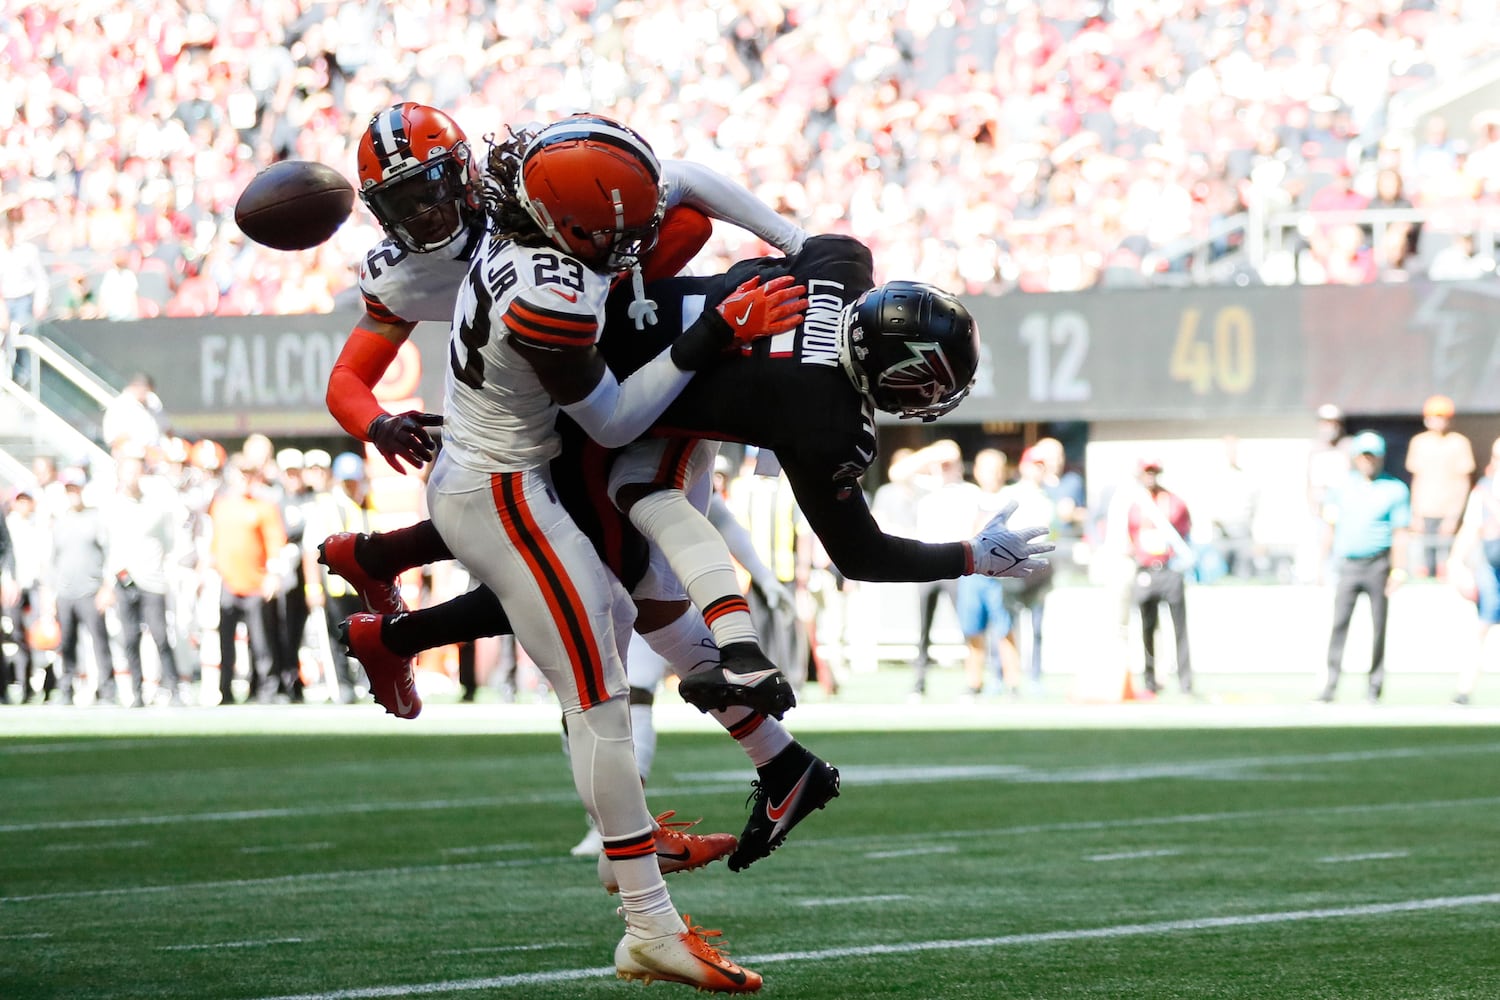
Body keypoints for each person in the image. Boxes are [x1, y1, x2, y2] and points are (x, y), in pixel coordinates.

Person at [425, 113, 801, 992]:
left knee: (613, 637)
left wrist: (795, 241)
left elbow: (691, 173)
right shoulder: (545, 288)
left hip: (509, 480)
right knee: (598, 698)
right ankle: (644, 918)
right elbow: (615, 419)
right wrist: (714, 332)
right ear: (563, 222)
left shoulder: (554, 190)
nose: (632, 243)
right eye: (611, 234)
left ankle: (626, 843)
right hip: (501, 495)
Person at [1318, 431, 1411, 704]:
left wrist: (1399, 569)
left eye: (1372, 456)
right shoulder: (1341, 487)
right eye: (1363, 456)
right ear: (1356, 458)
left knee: (1378, 626)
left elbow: (1401, 533)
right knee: (1339, 624)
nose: (1368, 461)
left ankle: (1374, 685)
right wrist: (1322, 563)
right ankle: (1331, 684)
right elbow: (1330, 527)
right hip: (1348, 564)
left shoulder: (1395, 489)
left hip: (1378, 564)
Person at [101, 450, 186, 706]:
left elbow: (169, 542)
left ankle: (173, 688)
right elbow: (109, 547)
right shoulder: (112, 507)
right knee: (129, 638)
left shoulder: (156, 506)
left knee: (160, 635)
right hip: (124, 579)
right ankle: (136, 692)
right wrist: (109, 581)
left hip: (153, 580)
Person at [206, 452, 289, 706]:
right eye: (240, 473)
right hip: (228, 582)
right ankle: (226, 690)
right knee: (226, 643)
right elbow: (214, 541)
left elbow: (276, 542)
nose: (244, 479)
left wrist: (273, 575)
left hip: (256, 582)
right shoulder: (220, 505)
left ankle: (267, 689)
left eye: (248, 474)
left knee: (261, 642)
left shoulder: (265, 506)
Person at [908, 440, 978, 698]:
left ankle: (974, 680)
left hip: (956, 564)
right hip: (926, 563)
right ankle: (919, 680)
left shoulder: (968, 491)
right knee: (923, 626)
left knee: (968, 625)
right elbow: (898, 472)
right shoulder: (925, 488)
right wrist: (933, 455)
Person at [1122, 458, 1194, 696]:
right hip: (1145, 570)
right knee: (1147, 628)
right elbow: (1130, 535)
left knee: (1179, 629)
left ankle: (1185, 682)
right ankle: (1150, 681)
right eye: (1146, 472)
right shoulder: (1135, 504)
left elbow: (1184, 531)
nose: (1150, 476)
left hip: (1168, 569)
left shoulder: (1173, 502)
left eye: (1154, 472)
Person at [45, 468, 115, 705]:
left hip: (91, 590)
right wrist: (50, 593)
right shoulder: (60, 521)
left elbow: (108, 553)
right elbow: (53, 560)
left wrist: (107, 586)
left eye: (75, 488)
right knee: (67, 643)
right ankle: (66, 689)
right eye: (69, 489)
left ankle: (107, 689)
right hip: (65, 591)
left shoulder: (95, 518)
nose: (72, 494)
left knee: (99, 642)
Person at [1446, 436, 1500, 705]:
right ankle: (1464, 690)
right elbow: (1470, 528)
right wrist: (1455, 562)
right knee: (1481, 628)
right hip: (1492, 567)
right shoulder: (1484, 490)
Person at [1405, 394, 1474, 579]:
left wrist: (1454, 516)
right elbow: (1417, 479)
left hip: (1448, 511)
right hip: (1425, 511)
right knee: (1422, 562)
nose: (1438, 421)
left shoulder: (1458, 443)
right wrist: (1415, 513)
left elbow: (1463, 482)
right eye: (1434, 416)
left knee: (1446, 561)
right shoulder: (1419, 442)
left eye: (1442, 416)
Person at [1303, 403, 1352, 584]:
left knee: (1338, 543)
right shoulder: (1314, 448)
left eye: (1333, 422)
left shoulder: (1348, 446)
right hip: (1320, 507)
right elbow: (1309, 480)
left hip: (1342, 506)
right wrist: (1311, 503)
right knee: (1320, 542)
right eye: (1325, 422)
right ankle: (1321, 575)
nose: (1329, 427)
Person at [99, 373, 167, 458]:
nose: (145, 393)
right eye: (142, 389)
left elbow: (166, 428)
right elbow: (115, 440)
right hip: (129, 458)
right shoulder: (120, 405)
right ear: (134, 387)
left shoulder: (153, 402)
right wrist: (145, 450)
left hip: (156, 457)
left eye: (147, 390)